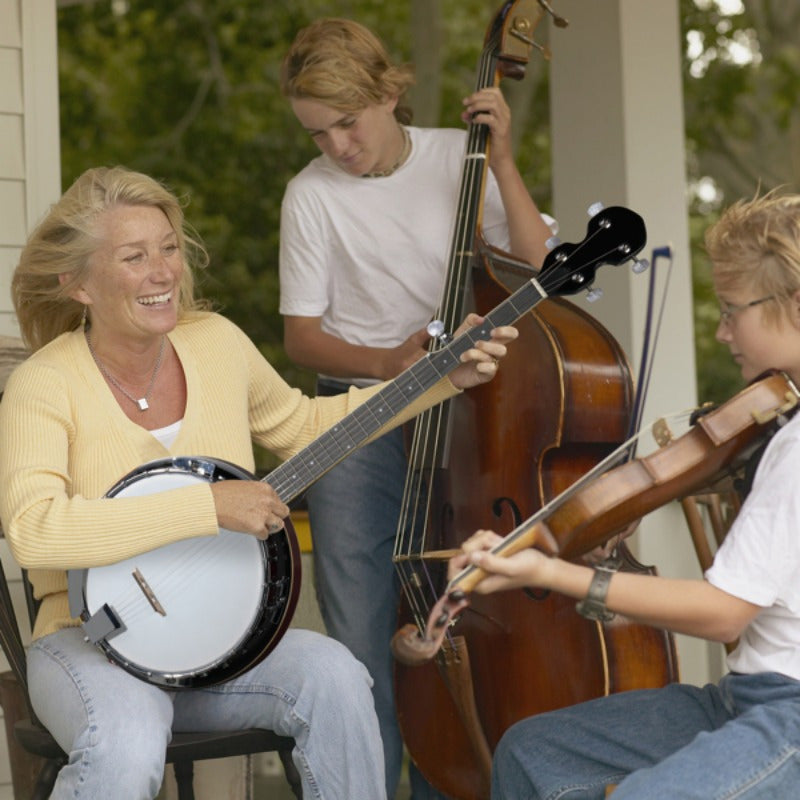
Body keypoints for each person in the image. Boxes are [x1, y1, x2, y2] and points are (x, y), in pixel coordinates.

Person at [0, 165, 518, 800]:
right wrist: (207, 505)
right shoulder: (43, 384)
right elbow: (35, 531)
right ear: (77, 284)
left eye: (169, 248)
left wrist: (440, 378)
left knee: (335, 675)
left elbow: (304, 425)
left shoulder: (215, 343)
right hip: (89, 643)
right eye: (135, 257)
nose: (164, 272)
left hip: (219, 645)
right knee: (129, 736)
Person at [439, 190, 800, 798]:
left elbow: (724, 613)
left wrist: (554, 572)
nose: (720, 331)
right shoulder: (779, 427)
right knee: (534, 754)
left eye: (732, 310)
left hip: (789, 712)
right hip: (743, 697)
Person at [278, 18, 554, 798]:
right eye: (317, 131)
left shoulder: (458, 153)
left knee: (467, 618)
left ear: (390, 93)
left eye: (347, 122)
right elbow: (303, 337)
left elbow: (541, 268)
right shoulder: (309, 197)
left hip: (468, 411)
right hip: (360, 415)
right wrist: (389, 365)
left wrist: (499, 161)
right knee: (362, 628)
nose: (336, 145)